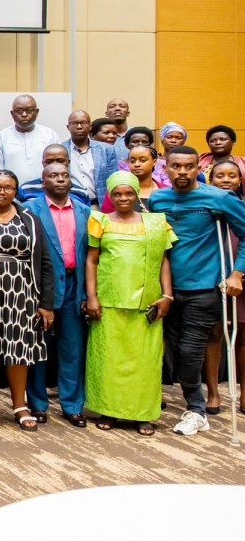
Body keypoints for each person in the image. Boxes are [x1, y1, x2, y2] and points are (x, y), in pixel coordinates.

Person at [150, 146, 245, 435]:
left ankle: (196, 410)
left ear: (198, 168)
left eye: (189, 166)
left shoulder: (219, 198)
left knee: (191, 351)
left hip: (204, 286)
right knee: (170, 349)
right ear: (165, 168)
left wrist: (237, 273)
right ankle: (181, 403)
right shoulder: (157, 199)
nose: (182, 171)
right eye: (176, 166)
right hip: (166, 287)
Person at [85, 171, 175, 436]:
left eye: (128, 193)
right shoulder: (99, 220)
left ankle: (142, 414)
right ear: (110, 196)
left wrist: (167, 296)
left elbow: (164, 261)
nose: (123, 198)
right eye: (117, 194)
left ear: (136, 194)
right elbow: (91, 260)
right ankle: (109, 411)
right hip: (109, 303)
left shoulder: (156, 223)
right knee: (109, 360)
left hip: (146, 304)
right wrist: (92, 297)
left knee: (144, 361)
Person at [0, 170, 54, 433]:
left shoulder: (29, 218)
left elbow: (45, 261)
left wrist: (46, 303)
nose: (2, 191)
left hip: (22, 291)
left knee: (20, 347)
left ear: (16, 191)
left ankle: (19, 405)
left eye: (8, 187)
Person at [25, 163, 91, 427]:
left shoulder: (85, 211)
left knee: (72, 348)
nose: (60, 179)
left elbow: (91, 255)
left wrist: (88, 292)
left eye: (65, 175)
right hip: (41, 286)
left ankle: (72, 405)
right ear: (43, 182)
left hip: (75, 284)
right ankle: (37, 404)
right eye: (53, 176)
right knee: (37, 347)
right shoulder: (30, 210)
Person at [204, 160, 245, 414]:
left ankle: (244, 392)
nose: (226, 180)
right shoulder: (207, 209)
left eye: (232, 176)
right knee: (214, 332)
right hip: (214, 279)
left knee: (243, 335)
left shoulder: (241, 207)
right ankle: (213, 392)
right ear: (211, 180)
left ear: (240, 181)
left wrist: (239, 273)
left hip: (240, 279)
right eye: (220, 176)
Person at [0, 95, 59, 184]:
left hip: (45, 190)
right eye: (19, 111)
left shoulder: (50, 135)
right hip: (12, 191)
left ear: (37, 112)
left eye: (29, 110)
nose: (24, 114)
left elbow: (59, 167)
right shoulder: (0, 138)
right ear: (12, 114)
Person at [62, 110, 118, 208]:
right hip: (70, 206)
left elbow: (114, 180)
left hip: (98, 206)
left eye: (83, 123)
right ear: (68, 127)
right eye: (74, 123)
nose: (79, 127)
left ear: (90, 126)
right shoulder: (61, 149)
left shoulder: (106, 149)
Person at [18, 145, 93, 205]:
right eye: (49, 162)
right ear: (43, 163)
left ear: (68, 163)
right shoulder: (25, 189)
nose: (55, 165)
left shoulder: (81, 192)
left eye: (60, 161)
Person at [101, 145, 163, 212]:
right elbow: (107, 216)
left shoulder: (165, 190)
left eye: (142, 160)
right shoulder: (116, 190)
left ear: (154, 162)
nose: (136, 164)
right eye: (132, 161)